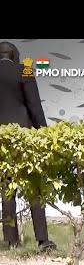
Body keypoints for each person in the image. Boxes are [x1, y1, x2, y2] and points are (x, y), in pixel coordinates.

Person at [0, 41, 57, 252]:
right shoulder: (23, 70)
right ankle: (43, 240)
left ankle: (11, 241)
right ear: (14, 54)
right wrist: (44, 132)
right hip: (24, 137)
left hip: (2, 140)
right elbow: (34, 105)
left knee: (7, 189)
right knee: (35, 188)